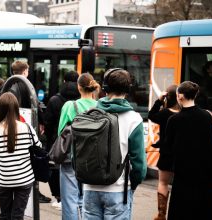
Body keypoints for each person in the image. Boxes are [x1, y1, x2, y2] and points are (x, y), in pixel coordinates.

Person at [81, 69, 147, 220]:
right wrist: (133, 184)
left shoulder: (89, 113)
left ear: (104, 88)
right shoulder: (134, 119)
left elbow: (77, 153)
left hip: (90, 188)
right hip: (119, 189)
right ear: (128, 89)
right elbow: (139, 165)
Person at [0, 60, 51, 203]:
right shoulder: (26, 86)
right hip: (24, 129)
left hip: (5, 130)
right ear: (25, 71)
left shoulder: (5, 86)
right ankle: (33, 191)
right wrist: (41, 123)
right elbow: (35, 106)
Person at [164, 81, 212, 219]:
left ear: (180, 96)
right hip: (208, 176)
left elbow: (168, 148)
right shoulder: (209, 116)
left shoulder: (174, 120)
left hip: (184, 177)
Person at [0, 92, 41, 220]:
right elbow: (38, 146)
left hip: (3, 179)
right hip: (24, 178)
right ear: (16, 108)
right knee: (18, 215)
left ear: (0, 109)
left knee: (4, 214)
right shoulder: (27, 127)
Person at [57, 73, 99, 220]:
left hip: (71, 158)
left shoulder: (70, 106)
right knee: (87, 201)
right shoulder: (100, 107)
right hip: (93, 160)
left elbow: (61, 132)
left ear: (78, 87)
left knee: (69, 201)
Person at [44, 70, 80, 210]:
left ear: (64, 81)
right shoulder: (81, 100)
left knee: (55, 168)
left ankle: (59, 197)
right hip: (78, 142)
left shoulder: (54, 100)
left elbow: (48, 122)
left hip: (57, 140)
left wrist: (50, 137)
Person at [148, 85, 180, 220]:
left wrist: (159, 100)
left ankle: (161, 215)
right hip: (182, 154)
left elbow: (151, 115)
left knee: (163, 183)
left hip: (166, 154)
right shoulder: (186, 114)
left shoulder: (164, 113)